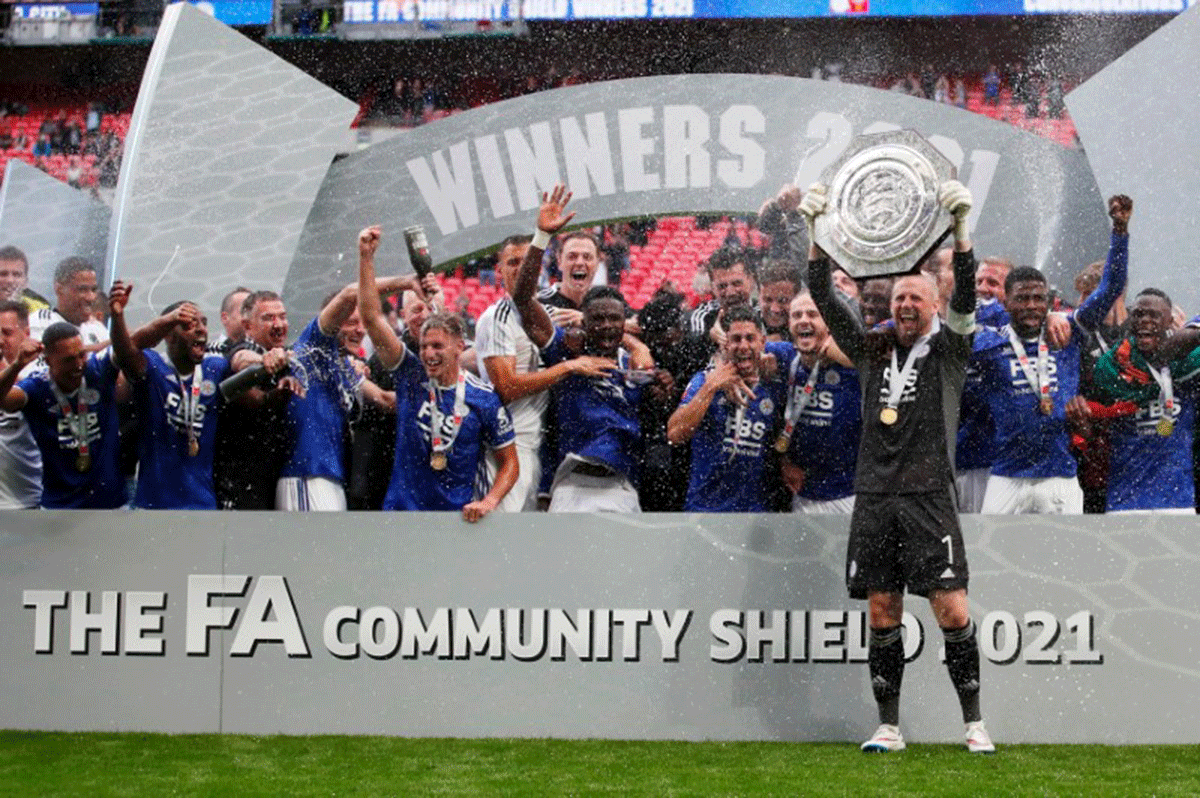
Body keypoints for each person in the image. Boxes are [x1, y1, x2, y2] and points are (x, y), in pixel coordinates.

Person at [799, 178, 994, 754]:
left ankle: (974, 723)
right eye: (899, 298)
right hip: (876, 495)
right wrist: (814, 235)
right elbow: (825, 296)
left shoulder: (953, 348)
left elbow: (966, 301)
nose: (906, 305)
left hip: (929, 495)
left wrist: (961, 233)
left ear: (932, 305)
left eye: (917, 298)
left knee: (951, 608)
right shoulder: (871, 348)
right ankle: (888, 725)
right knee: (882, 610)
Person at [973, 196, 1130, 514]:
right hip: (1006, 475)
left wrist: (1120, 232)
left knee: (1066, 559)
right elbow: (957, 321)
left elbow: (1111, 287)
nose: (1032, 305)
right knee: (991, 559)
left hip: (1059, 475)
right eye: (1023, 298)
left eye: (1039, 299)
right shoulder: (989, 346)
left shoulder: (1069, 332)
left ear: (1049, 301)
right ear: (1005, 302)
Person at [513, 185, 662, 512]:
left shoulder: (631, 365)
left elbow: (650, 405)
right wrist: (540, 238)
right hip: (572, 480)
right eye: (599, 320)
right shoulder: (566, 352)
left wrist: (657, 383)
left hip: (625, 484)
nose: (607, 326)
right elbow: (522, 299)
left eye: (614, 320)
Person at [357, 226, 518, 522]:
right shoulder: (410, 374)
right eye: (424, 346)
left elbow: (510, 462)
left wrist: (489, 501)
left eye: (437, 346)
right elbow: (370, 317)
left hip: (456, 521)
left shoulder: (482, 397)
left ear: (460, 347)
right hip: (402, 515)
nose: (429, 353)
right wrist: (366, 258)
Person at [475, 234, 619, 511]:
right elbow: (505, 386)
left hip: (541, 445)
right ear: (499, 270)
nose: (520, 268)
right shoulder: (497, 316)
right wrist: (567, 367)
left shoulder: (547, 314)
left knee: (529, 541)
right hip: (505, 446)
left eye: (526, 261)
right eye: (512, 262)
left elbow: (617, 329)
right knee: (501, 535)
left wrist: (633, 344)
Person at [109, 289, 230, 509]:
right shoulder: (154, 367)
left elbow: (241, 359)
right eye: (189, 324)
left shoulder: (214, 368)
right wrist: (118, 317)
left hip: (202, 504)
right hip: (154, 504)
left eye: (203, 322)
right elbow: (126, 351)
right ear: (169, 334)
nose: (201, 329)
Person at [0, 312, 127, 509]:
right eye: (68, 360)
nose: (78, 365)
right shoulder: (36, 387)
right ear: (48, 360)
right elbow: (4, 400)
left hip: (111, 504)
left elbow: (129, 346)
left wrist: (118, 315)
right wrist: (17, 364)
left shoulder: (98, 371)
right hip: (57, 506)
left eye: (81, 355)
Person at [667, 304, 785, 512]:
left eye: (750, 338)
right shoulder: (704, 381)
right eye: (736, 339)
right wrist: (711, 387)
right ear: (725, 345)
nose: (743, 346)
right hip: (705, 509)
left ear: (762, 342)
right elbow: (675, 434)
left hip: (756, 513)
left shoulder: (775, 385)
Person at [1092, 288, 1200, 514]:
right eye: (1139, 314)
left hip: (1177, 499)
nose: (1144, 321)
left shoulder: (1189, 361)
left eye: (1154, 315)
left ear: (1170, 321)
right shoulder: (1111, 366)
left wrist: (1193, 327)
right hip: (1125, 498)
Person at [776, 291, 860, 513]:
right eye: (797, 315)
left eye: (813, 314)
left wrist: (853, 359)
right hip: (803, 493)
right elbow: (746, 349)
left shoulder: (854, 366)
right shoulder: (784, 359)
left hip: (851, 494)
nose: (804, 320)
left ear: (830, 323)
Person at [0, 300, 42, 508]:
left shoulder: (37, 376)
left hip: (28, 502)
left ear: (26, 334)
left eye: (6, 333)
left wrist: (15, 366)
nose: (0, 340)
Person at [29, 256, 108, 350]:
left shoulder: (97, 329)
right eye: (82, 290)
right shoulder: (39, 322)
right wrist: (104, 345)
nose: (91, 298)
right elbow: (57, 356)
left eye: (93, 289)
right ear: (59, 289)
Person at [758, 261, 803, 342]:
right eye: (768, 300)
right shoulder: (745, 323)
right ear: (759, 298)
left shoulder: (810, 326)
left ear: (798, 298)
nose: (774, 309)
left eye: (782, 301)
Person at [0, 245, 50, 313]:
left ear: (26, 281)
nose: (10, 280)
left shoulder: (41, 313)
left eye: (17, 275)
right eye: (3, 274)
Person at [208, 286, 250, 355]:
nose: (251, 316)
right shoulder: (209, 354)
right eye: (245, 310)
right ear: (225, 318)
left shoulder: (268, 349)